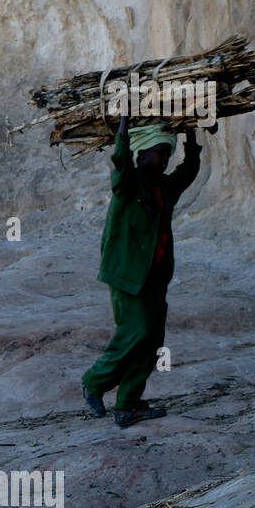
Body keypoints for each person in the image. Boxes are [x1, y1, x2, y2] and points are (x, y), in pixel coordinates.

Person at [81, 109, 202, 428]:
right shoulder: (128, 185)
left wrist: (191, 134)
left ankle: (128, 405)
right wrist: (122, 129)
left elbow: (188, 171)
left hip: (156, 277)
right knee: (134, 332)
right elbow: (120, 164)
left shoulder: (164, 188)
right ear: (141, 152)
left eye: (167, 153)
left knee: (151, 341)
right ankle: (94, 382)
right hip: (127, 275)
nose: (164, 160)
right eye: (160, 153)